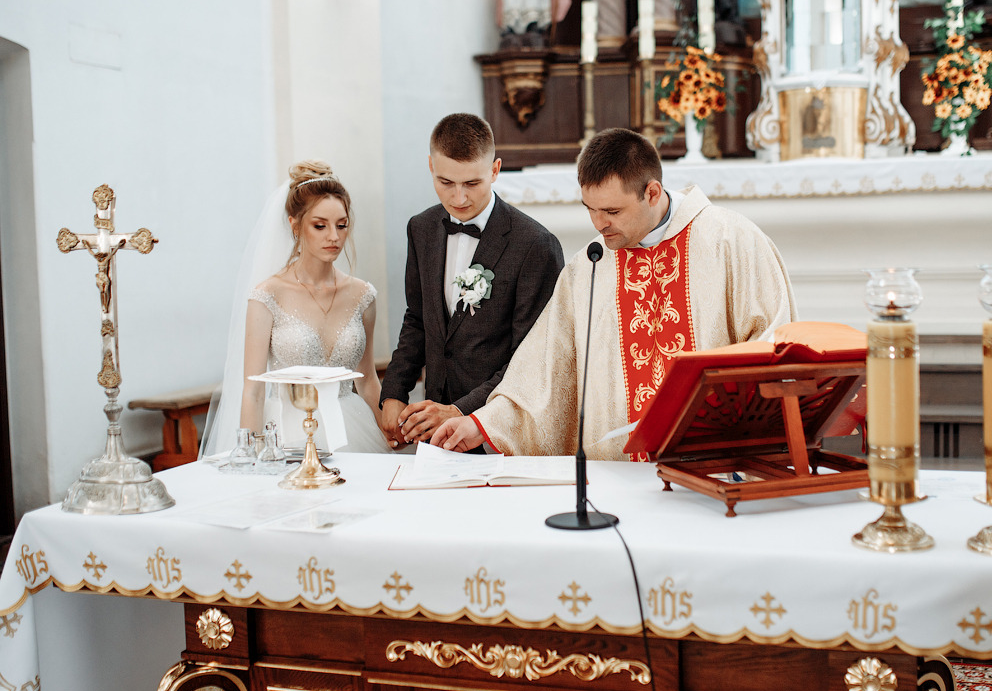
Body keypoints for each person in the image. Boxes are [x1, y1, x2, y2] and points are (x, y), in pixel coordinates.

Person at [431, 127, 796, 459]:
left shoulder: (732, 241)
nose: (599, 224)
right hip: (616, 472)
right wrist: (482, 424)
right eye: (590, 209)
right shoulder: (589, 266)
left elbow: (772, 344)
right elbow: (545, 367)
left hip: (711, 465)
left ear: (652, 192)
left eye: (612, 210)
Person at [378, 113, 564, 447]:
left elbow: (532, 357)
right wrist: (393, 392)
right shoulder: (421, 229)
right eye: (446, 183)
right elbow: (418, 318)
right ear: (431, 167)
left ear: (495, 170)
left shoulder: (534, 244)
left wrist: (462, 411)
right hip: (433, 430)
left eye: (472, 184)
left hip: (499, 430)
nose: (458, 198)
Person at [201, 161, 391, 457]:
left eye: (342, 225)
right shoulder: (267, 295)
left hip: (352, 430)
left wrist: (391, 436)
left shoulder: (362, 295)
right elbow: (253, 391)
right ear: (294, 225)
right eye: (320, 226)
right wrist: (250, 458)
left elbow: (367, 381)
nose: (334, 236)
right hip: (288, 433)